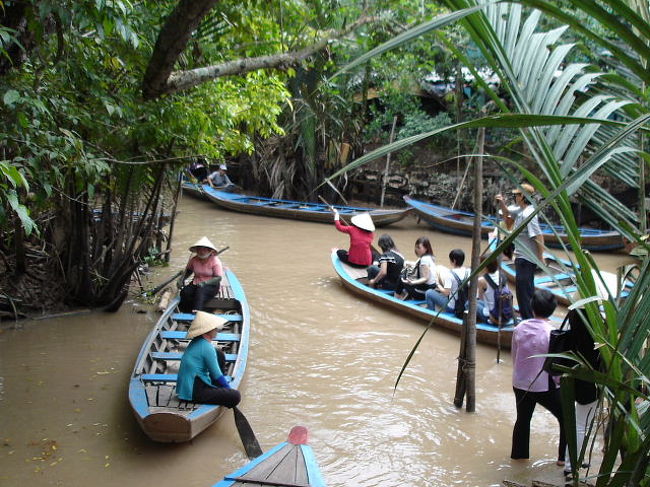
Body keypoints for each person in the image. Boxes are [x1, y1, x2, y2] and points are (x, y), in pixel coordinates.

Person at [510, 289, 566, 465]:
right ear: (552, 310)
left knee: (523, 420)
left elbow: (514, 356)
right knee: (566, 418)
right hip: (543, 386)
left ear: (532, 307)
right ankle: (562, 459)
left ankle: (519, 458)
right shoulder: (552, 332)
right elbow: (555, 366)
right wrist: (559, 384)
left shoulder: (519, 328)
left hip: (520, 383)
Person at [562, 307, 601, 477]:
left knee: (579, 422)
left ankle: (575, 459)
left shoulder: (573, 318)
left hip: (572, 375)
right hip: (589, 379)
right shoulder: (595, 330)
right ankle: (571, 464)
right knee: (581, 425)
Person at [496, 183, 544, 320]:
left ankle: (528, 321)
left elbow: (538, 236)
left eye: (516, 195)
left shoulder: (529, 214)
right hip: (521, 257)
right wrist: (502, 204)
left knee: (524, 293)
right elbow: (509, 222)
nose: (515, 197)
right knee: (524, 291)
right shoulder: (521, 211)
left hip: (526, 259)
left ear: (523, 196)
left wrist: (541, 258)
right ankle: (529, 318)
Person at [176, 311, 241, 408]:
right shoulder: (206, 347)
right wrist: (228, 390)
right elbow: (216, 374)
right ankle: (219, 390)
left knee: (219, 354)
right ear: (207, 331)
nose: (216, 330)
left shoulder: (197, 341)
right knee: (236, 396)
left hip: (188, 387)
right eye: (214, 328)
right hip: (194, 392)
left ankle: (217, 388)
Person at [179, 236, 224, 313]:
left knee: (200, 291)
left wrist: (205, 283)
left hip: (212, 285)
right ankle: (186, 311)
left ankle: (197, 311)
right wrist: (182, 279)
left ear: (209, 250)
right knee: (184, 292)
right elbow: (189, 271)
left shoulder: (215, 261)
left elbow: (218, 278)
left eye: (204, 249)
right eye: (199, 249)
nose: (201, 251)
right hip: (196, 283)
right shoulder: (194, 260)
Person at [425, 248, 468, 313]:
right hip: (464, 304)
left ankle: (430, 312)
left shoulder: (450, 274)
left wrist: (437, 283)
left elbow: (446, 292)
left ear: (454, 261)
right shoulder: (468, 272)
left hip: (452, 307)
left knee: (429, 292)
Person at [477, 253, 511, 322]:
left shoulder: (481, 281)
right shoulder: (502, 275)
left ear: (485, 267)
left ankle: (486, 320)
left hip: (492, 316)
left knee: (468, 303)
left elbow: (481, 299)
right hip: (505, 313)